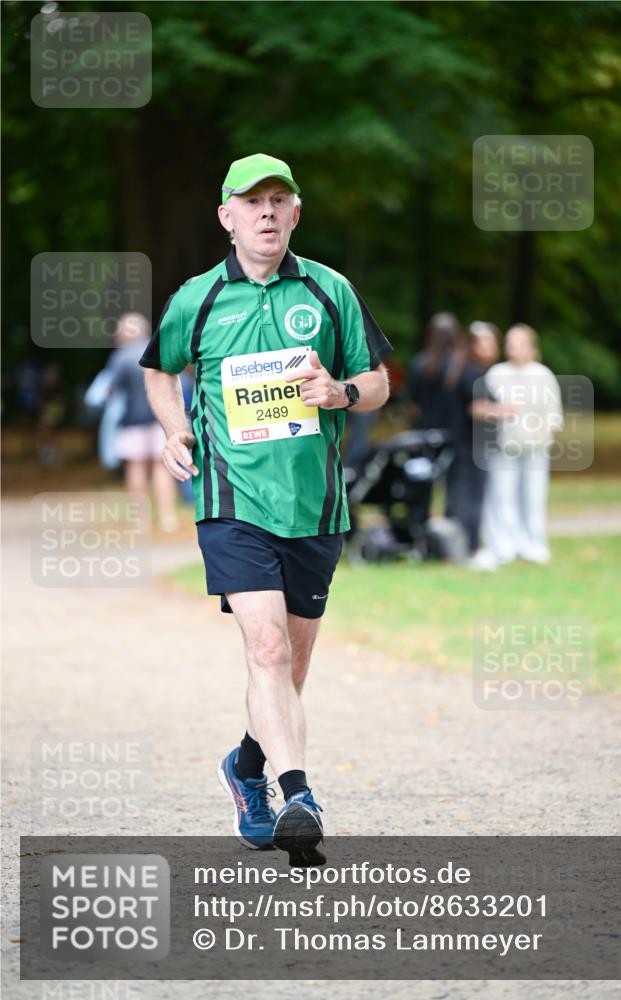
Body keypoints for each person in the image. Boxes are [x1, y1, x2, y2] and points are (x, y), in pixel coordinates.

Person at [140, 153, 392, 865]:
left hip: (314, 504)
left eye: (279, 200)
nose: (267, 213)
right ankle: (298, 796)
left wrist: (339, 392)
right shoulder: (197, 298)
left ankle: (246, 767)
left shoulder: (328, 288)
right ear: (226, 217)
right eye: (252, 203)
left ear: (296, 213)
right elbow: (160, 368)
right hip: (230, 501)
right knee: (269, 648)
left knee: (292, 663)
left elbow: (377, 381)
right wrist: (174, 428)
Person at [481, 324, 563, 566]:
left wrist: (543, 435)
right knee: (502, 496)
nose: (512, 348)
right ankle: (504, 544)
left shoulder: (543, 375)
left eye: (518, 343)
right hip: (504, 446)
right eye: (509, 343)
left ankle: (534, 544)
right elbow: (486, 409)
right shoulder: (496, 374)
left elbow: (553, 414)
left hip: (535, 447)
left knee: (533, 496)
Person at [107, 313, 179, 532]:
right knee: (162, 468)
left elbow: (110, 390)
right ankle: (168, 517)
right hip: (160, 420)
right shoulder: (156, 350)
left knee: (135, 467)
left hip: (131, 422)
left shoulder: (120, 358)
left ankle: (139, 520)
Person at [445, 322, 507, 563]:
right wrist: (505, 410)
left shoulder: (465, 370)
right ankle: (469, 548)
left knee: (462, 495)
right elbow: (477, 409)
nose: (491, 348)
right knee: (471, 497)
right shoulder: (472, 373)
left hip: (467, 445)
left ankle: (461, 547)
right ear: (472, 346)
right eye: (485, 342)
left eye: (493, 342)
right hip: (470, 445)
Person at [404, 312, 461, 431]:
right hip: (454, 434)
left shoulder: (419, 362)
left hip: (423, 431)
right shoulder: (461, 366)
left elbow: (411, 404)